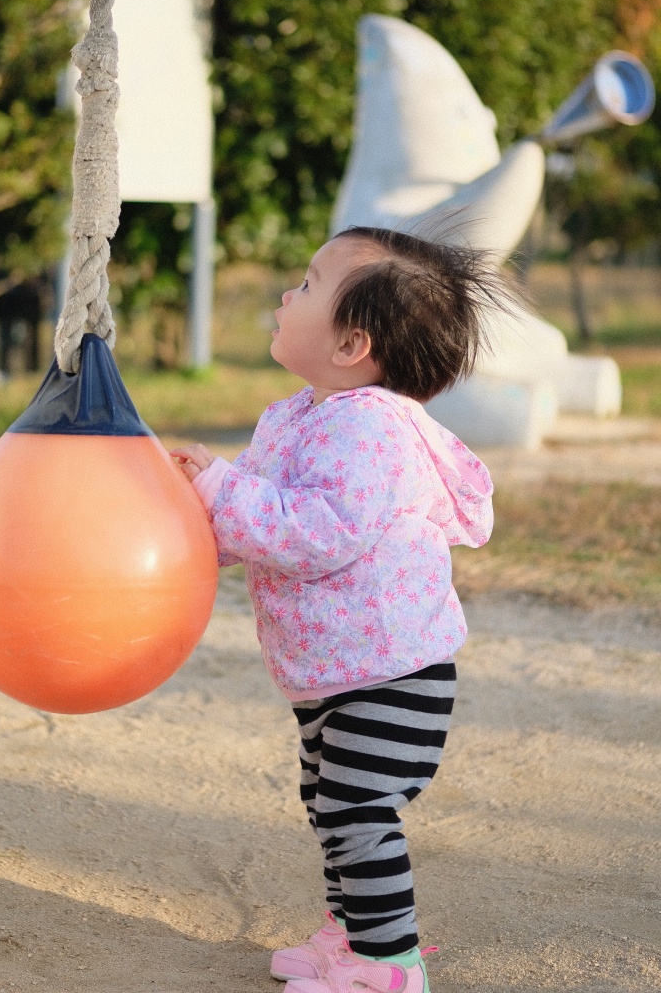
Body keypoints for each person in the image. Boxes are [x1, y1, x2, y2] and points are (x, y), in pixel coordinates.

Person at [171, 227, 515, 993]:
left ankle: (388, 967)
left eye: (307, 283)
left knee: (358, 811)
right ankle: (348, 936)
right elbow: (258, 521)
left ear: (353, 342)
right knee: (330, 806)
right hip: (340, 672)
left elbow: (318, 531)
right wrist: (190, 514)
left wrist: (222, 492)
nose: (286, 294)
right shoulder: (302, 415)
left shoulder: (369, 428)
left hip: (394, 675)